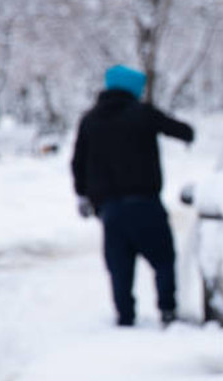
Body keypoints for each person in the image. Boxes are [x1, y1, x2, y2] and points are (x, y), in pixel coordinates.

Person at [71, 65, 194, 327]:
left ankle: (125, 315)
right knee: (163, 259)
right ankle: (167, 310)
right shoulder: (143, 114)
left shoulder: (90, 120)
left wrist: (82, 195)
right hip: (145, 203)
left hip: (110, 210)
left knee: (119, 266)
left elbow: (78, 162)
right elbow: (183, 131)